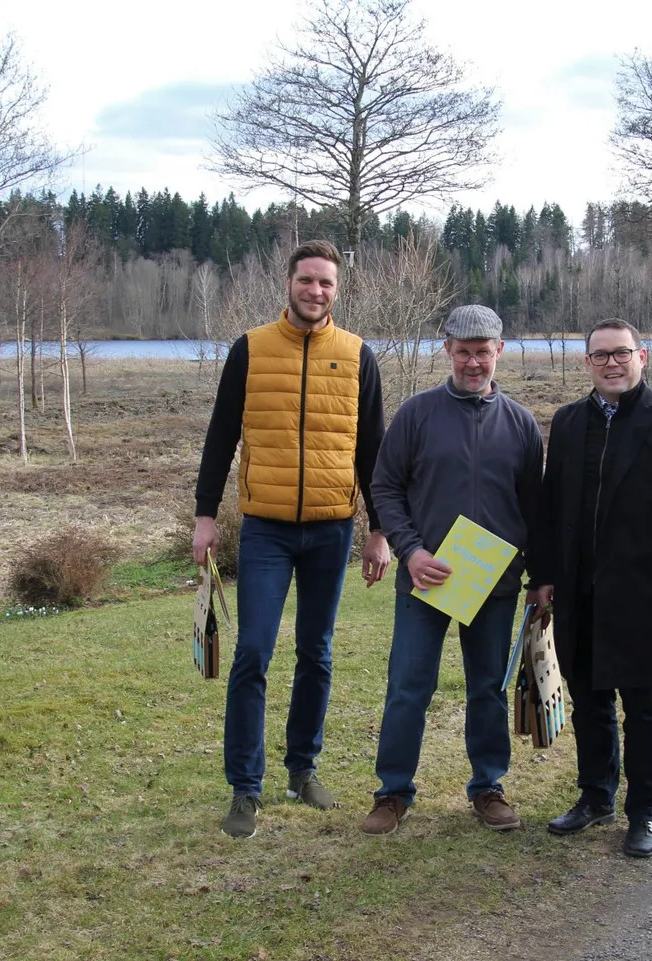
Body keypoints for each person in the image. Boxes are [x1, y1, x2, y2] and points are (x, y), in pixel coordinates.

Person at [193, 239, 392, 839]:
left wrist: (378, 530)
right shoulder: (250, 350)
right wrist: (205, 516)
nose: (316, 291)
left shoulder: (359, 357)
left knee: (317, 652)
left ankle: (301, 769)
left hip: (332, 528)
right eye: (307, 280)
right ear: (289, 283)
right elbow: (221, 436)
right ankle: (244, 789)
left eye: (326, 283)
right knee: (253, 652)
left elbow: (373, 453)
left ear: (337, 289)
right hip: (266, 531)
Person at [527, 318, 652, 858]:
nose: (612, 363)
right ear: (586, 363)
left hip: (649, 594)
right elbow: (549, 508)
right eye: (601, 356)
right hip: (579, 593)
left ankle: (645, 811)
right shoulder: (567, 423)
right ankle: (595, 796)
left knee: (644, 706)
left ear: (643, 357)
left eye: (622, 354)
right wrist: (543, 576)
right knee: (588, 702)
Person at [359, 304, 544, 836]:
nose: (472, 363)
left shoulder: (522, 424)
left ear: (499, 352)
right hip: (425, 579)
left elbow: (534, 507)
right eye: (463, 352)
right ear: (446, 349)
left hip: (494, 583)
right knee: (409, 685)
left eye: (482, 353)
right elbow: (386, 487)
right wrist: (412, 551)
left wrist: (539, 575)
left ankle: (488, 786)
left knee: (487, 686)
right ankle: (393, 792)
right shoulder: (417, 414)